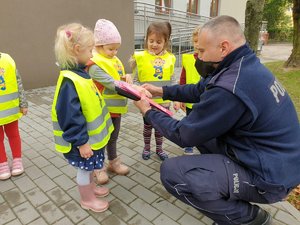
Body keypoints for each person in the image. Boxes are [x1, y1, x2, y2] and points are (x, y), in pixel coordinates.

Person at [133, 15, 300, 225]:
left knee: (173, 173)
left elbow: (184, 134)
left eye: (202, 51)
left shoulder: (231, 87)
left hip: (271, 177)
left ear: (223, 47)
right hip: (274, 160)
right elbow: (199, 89)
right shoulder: (242, 65)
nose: (198, 57)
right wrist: (162, 91)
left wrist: (148, 112)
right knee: (203, 130)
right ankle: (223, 189)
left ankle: (248, 218)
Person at [52, 23, 114, 212]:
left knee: (89, 169)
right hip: (82, 142)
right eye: (90, 50)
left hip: (89, 139)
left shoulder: (80, 74)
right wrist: (81, 142)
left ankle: (91, 189)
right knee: (85, 170)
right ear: (77, 50)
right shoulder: (70, 81)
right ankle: (87, 200)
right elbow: (70, 117)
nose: (92, 55)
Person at [87, 19, 131, 185]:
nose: (114, 52)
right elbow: (111, 83)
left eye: (116, 49)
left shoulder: (112, 60)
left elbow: (117, 77)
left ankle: (113, 163)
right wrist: (134, 89)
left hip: (114, 110)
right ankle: (98, 168)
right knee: (99, 139)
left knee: (113, 138)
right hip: (100, 110)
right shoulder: (94, 64)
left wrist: (126, 77)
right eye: (110, 48)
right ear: (98, 46)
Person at [130, 21, 176, 161]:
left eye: (158, 41)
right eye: (151, 41)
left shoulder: (170, 59)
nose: (154, 44)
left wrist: (177, 99)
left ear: (165, 42)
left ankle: (159, 149)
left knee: (160, 128)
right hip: (147, 103)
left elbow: (173, 81)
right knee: (148, 127)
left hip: (164, 103)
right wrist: (140, 93)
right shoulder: (141, 58)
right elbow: (136, 81)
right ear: (146, 40)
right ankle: (146, 148)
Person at [173, 26, 201, 155]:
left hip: (206, 100)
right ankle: (189, 145)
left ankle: (203, 144)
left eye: (200, 41)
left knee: (204, 123)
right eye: (195, 41)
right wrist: (180, 98)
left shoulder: (212, 59)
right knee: (190, 123)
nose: (197, 44)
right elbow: (182, 81)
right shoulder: (188, 59)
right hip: (190, 100)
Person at [0, 53, 28, 180]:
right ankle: (2, 164)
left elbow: (18, 82)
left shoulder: (7, 59)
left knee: (13, 135)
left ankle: (17, 160)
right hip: (9, 110)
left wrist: (23, 103)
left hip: (10, 110)